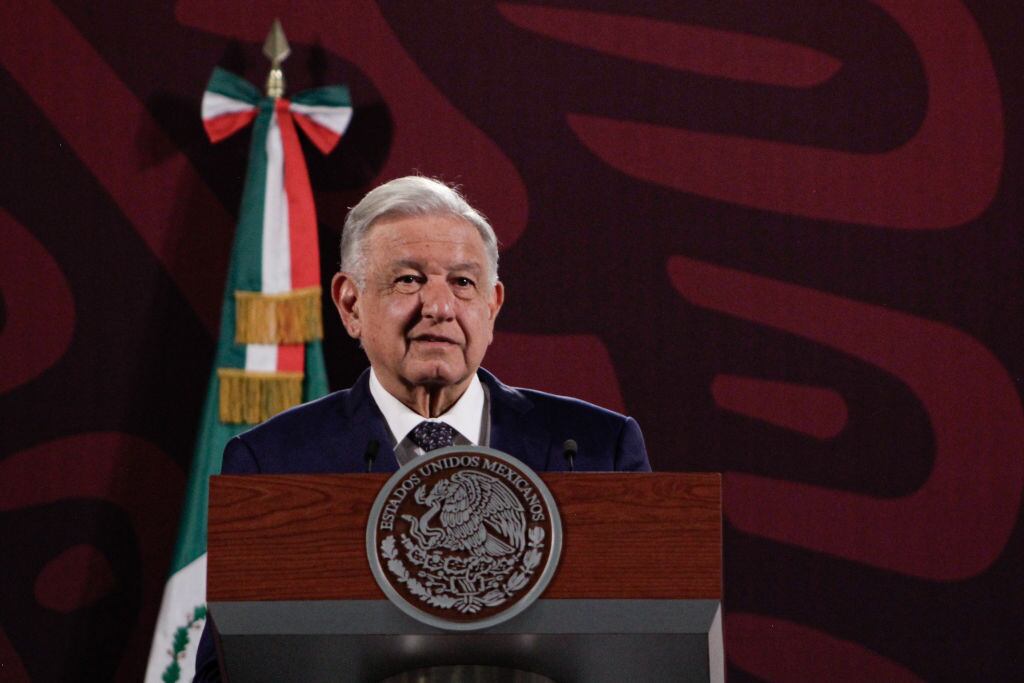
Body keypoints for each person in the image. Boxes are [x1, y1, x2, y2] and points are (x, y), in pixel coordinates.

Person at [193, 175, 649, 681]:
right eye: (409, 280)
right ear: (350, 305)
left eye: (462, 282)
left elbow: (649, 650)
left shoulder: (595, 449)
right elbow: (227, 672)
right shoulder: (274, 463)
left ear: (492, 306)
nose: (439, 307)